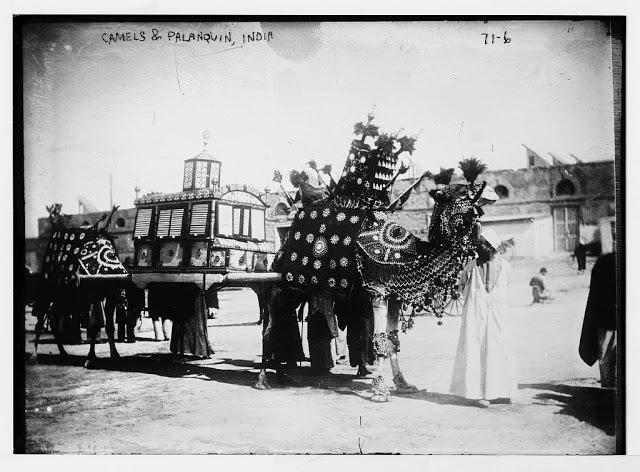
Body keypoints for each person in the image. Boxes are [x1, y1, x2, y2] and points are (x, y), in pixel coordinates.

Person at [450, 228, 517, 408]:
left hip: (498, 317)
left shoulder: (506, 267)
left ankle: (502, 391)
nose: (478, 248)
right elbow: (462, 286)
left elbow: (506, 287)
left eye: (482, 245)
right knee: (476, 351)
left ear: (492, 247)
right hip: (475, 316)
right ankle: (478, 394)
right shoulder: (471, 266)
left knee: (499, 350)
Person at [579, 252, 617, 388]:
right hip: (608, 318)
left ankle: (607, 385)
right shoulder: (606, 261)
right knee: (607, 354)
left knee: (606, 354)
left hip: (607, 317)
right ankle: (609, 386)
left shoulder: (603, 261)